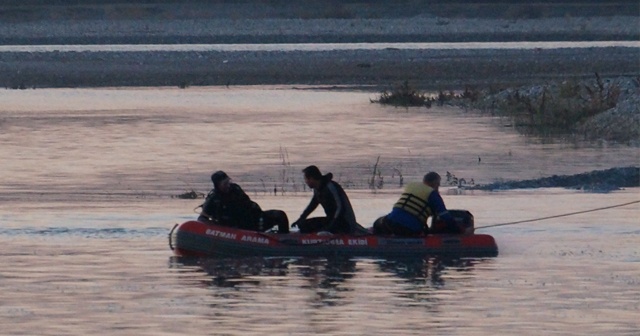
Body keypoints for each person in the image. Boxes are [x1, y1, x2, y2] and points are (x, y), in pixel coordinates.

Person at [373, 171, 470, 236]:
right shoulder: (433, 194)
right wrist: (460, 231)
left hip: (391, 223)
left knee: (377, 223)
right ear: (434, 183)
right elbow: (445, 217)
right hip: (410, 230)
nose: (438, 187)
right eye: (438, 184)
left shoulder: (411, 186)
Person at [198, 170, 289, 233]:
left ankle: (284, 240)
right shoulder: (213, 199)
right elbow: (202, 219)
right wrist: (216, 227)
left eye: (228, 182)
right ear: (217, 185)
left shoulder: (235, 189)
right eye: (225, 184)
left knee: (280, 215)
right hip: (236, 227)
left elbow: (247, 203)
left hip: (253, 220)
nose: (228, 185)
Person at [292, 165, 366, 235]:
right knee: (303, 225)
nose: (306, 182)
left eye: (306, 179)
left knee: (324, 228)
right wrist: (300, 219)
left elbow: (340, 207)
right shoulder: (317, 189)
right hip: (331, 220)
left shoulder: (330, 187)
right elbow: (312, 205)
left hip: (344, 222)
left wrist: (332, 224)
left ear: (311, 178)